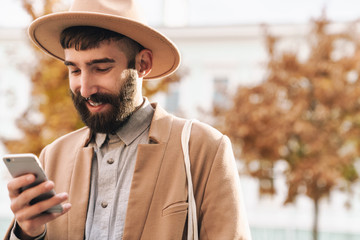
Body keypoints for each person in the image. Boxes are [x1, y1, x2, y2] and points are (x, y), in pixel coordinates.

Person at [5, 0, 252, 239]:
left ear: (143, 64)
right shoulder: (53, 156)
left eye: (101, 68)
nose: (85, 88)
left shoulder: (203, 149)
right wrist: (28, 233)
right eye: (75, 70)